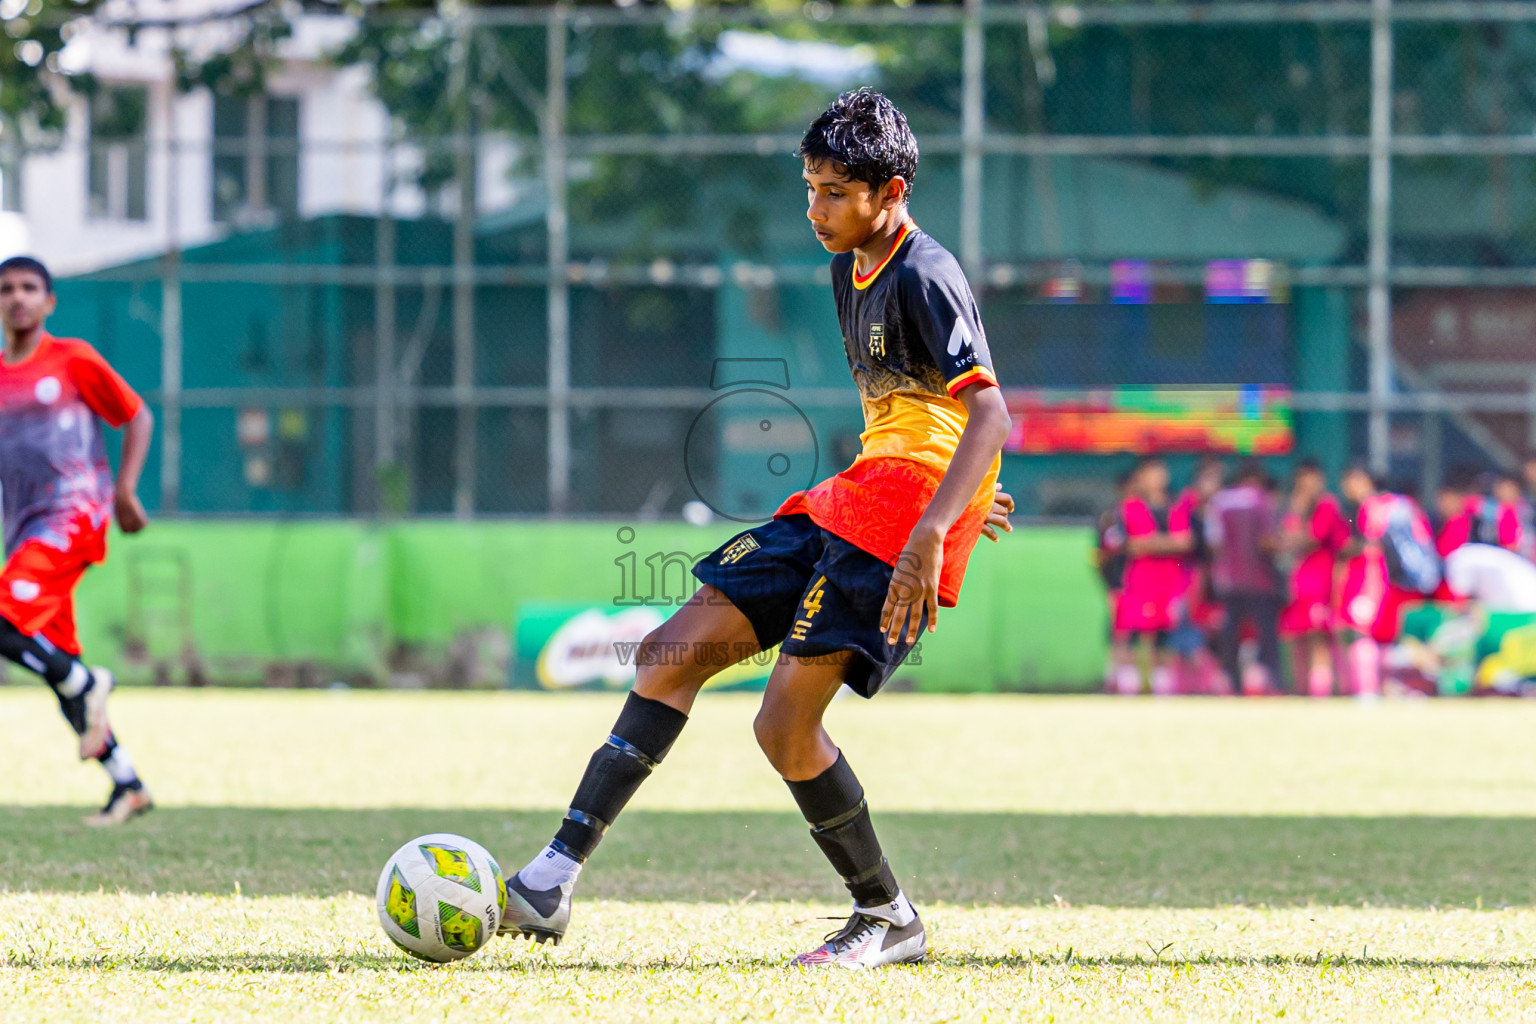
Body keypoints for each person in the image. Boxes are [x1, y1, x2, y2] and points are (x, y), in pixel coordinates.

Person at [496, 90, 1015, 968]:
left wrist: (936, 524)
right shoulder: (846, 263)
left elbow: (990, 414)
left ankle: (888, 917)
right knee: (670, 652)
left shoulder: (925, 271)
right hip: (863, 492)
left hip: (900, 520)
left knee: (782, 726)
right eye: (809, 188)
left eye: (833, 194)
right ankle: (550, 882)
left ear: (889, 193)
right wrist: (960, 493)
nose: (814, 210)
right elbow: (924, 417)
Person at [0, 255, 155, 824]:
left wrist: (125, 491)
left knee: (9, 624)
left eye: (29, 288)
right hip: (22, 534)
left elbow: (136, 415)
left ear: (49, 302)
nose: (17, 298)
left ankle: (91, 683)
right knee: (55, 663)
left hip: (72, 517)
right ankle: (128, 783)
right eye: (7, 289)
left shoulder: (73, 360)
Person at [1335, 464, 1437, 698]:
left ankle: (1368, 692)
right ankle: (1387, 689)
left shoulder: (1371, 508)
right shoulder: (1398, 505)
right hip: (1395, 586)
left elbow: (1371, 549)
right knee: (1387, 641)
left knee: (1363, 637)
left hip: (1372, 584)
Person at [1111, 456, 1193, 696]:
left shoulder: (1175, 507)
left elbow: (1185, 542)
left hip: (1169, 582)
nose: (1156, 478)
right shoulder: (1129, 507)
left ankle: (1162, 687)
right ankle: (1130, 685)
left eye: (1160, 471)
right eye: (1150, 473)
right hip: (1140, 581)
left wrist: (1152, 543)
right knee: (1134, 633)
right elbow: (1133, 545)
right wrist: (1168, 543)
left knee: (1165, 637)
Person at [1205, 459, 1283, 694]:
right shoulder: (1260, 500)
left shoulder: (1220, 502)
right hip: (1259, 579)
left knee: (1231, 635)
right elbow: (1266, 541)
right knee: (1266, 635)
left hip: (1228, 580)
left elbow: (1214, 542)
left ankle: (1232, 685)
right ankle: (1275, 683)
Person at [1278, 459, 1350, 697]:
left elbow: (1310, 539)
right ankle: (1299, 690)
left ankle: (1323, 692)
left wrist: (1296, 522)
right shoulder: (1294, 506)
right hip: (1298, 585)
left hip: (1321, 584)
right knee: (1296, 639)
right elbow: (1286, 540)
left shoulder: (1327, 505)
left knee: (1320, 638)